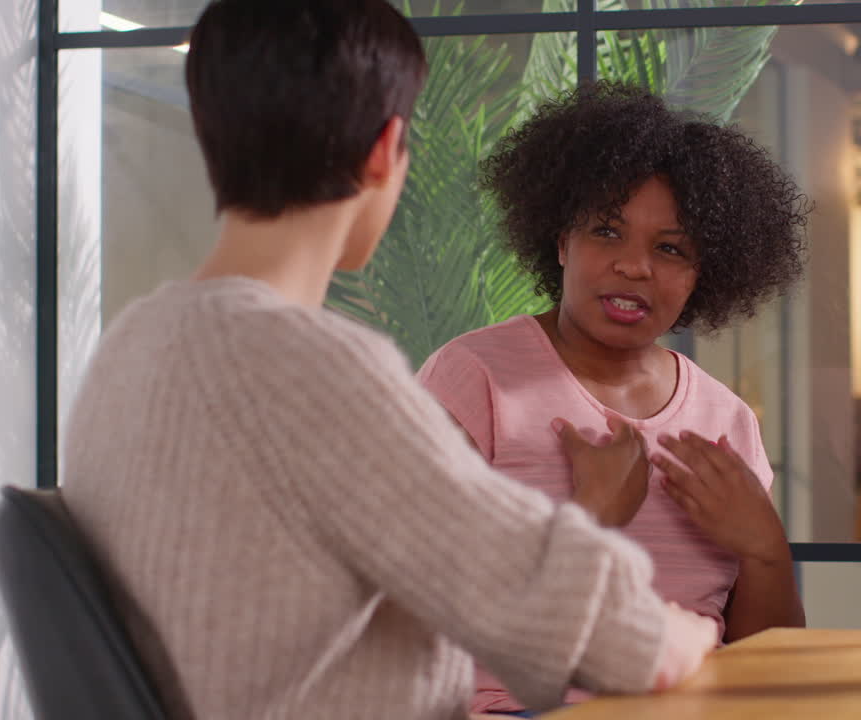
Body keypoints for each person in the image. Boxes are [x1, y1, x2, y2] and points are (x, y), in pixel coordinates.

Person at [60, 2, 718, 718]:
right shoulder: (306, 366)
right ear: (384, 150)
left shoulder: (130, 345)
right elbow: (531, 591)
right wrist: (678, 635)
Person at [415, 82, 810, 715]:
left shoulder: (726, 420)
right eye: (607, 231)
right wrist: (592, 519)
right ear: (561, 240)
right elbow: (414, 609)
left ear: (702, 273)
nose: (635, 266)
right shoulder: (475, 379)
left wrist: (764, 549)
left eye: (670, 247)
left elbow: (772, 668)